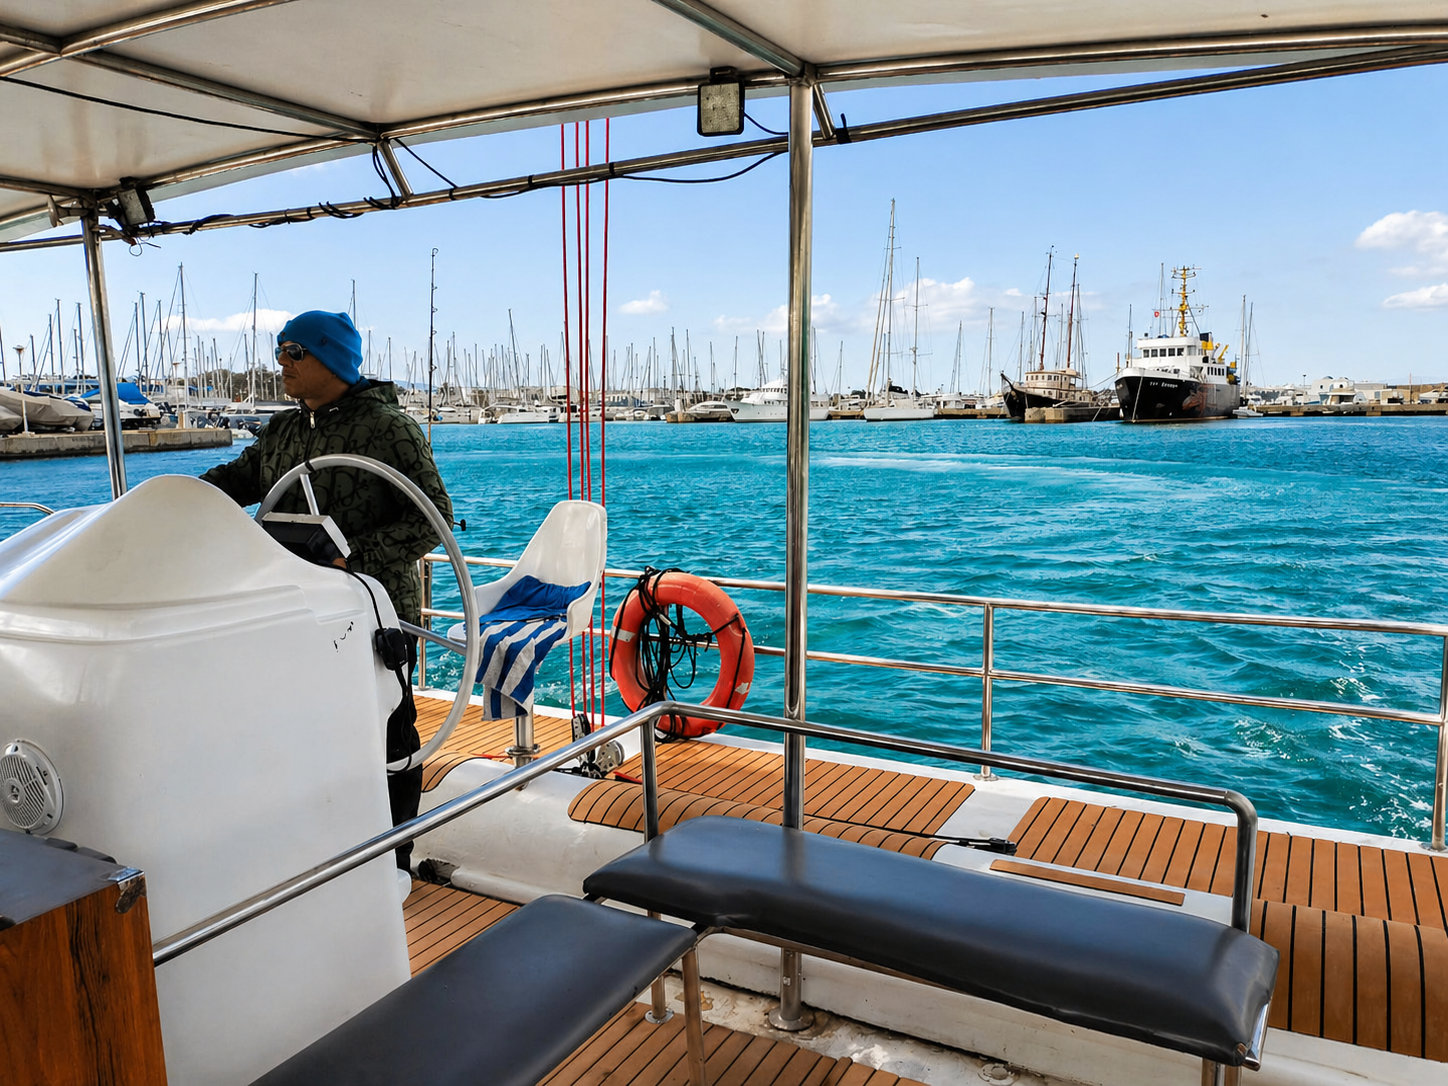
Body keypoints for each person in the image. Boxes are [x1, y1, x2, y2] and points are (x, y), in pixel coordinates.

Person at [201, 310, 451, 870]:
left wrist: (351, 556)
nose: (280, 362)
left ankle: (393, 861)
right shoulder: (282, 431)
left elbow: (430, 518)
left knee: (388, 732)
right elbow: (235, 480)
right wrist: (175, 498)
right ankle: (323, 852)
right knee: (304, 729)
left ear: (331, 359)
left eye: (294, 352)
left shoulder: (389, 429)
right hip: (296, 613)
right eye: (280, 350)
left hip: (375, 611)